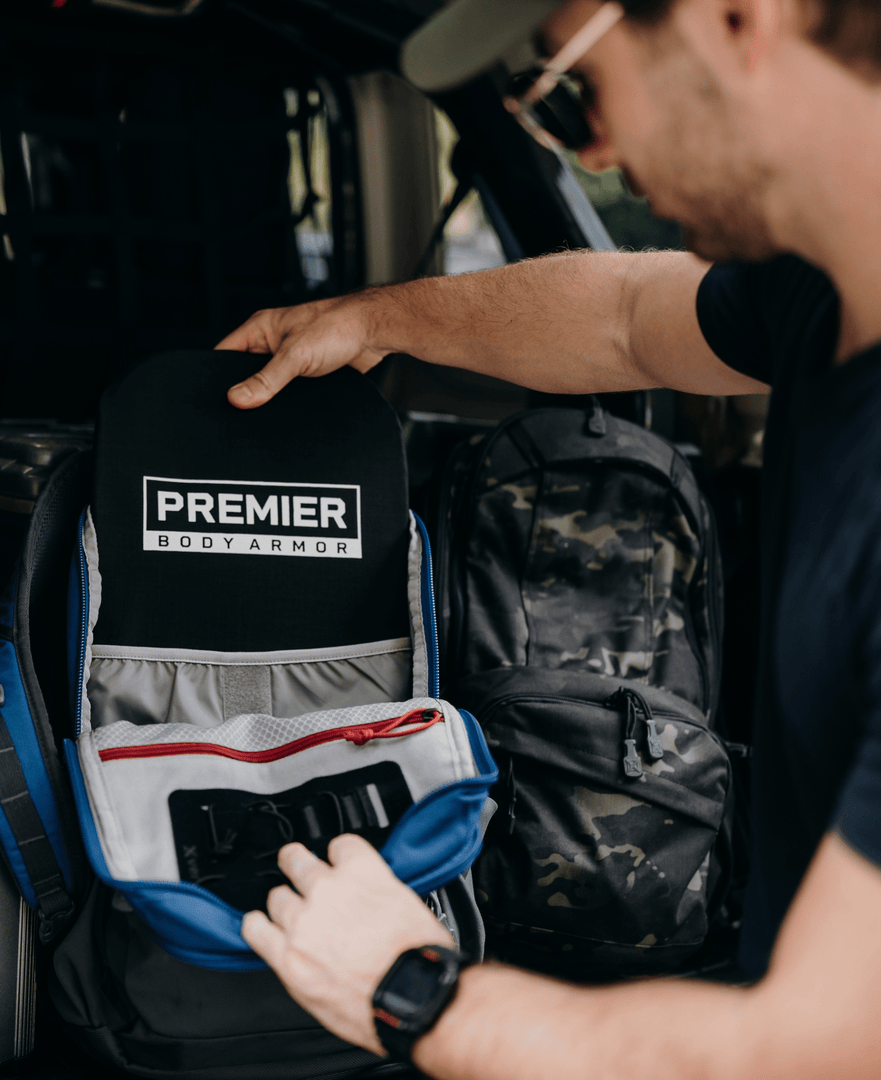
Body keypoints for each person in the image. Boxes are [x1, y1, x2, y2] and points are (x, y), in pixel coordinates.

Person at [212, 0, 881, 1074]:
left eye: (572, 90)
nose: (592, 145)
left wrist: (411, 992)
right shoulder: (822, 295)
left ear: (741, 18)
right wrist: (377, 319)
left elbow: (807, 1047)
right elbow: (623, 313)